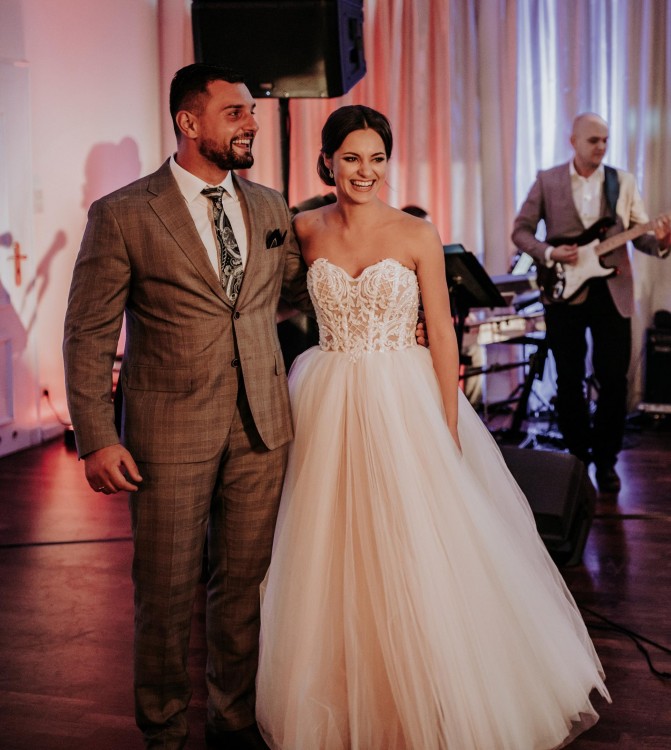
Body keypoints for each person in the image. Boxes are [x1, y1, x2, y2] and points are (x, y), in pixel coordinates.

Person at [255, 104, 610, 750]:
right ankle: (354, 689)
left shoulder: (417, 233)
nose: (366, 171)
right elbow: (269, 300)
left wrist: (446, 423)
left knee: (417, 539)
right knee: (332, 543)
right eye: (351, 158)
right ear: (327, 161)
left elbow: (442, 332)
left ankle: (436, 688)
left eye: (377, 158)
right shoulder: (302, 228)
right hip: (326, 396)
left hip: (404, 397)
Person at [63, 64, 314, 750]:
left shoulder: (271, 207)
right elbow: (88, 332)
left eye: (251, 111)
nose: (252, 123)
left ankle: (232, 720)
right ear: (188, 121)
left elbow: (300, 292)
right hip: (166, 432)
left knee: (243, 586)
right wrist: (96, 437)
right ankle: (165, 730)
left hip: (263, 425)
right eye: (236, 113)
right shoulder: (122, 214)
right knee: (166, 591)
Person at [512, 113, 670, 493]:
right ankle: (577, 457)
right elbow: (521, 231)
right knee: (569, 378)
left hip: (612, 289)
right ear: (573, 141)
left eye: (605, 140)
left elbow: (642, 237)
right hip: (563, 288)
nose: (601, 147)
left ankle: (607, 460)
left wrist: (663, 240)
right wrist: (550, 252)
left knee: (614, 379)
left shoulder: (622, 182)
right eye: (593, 140)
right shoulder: (547, 180)